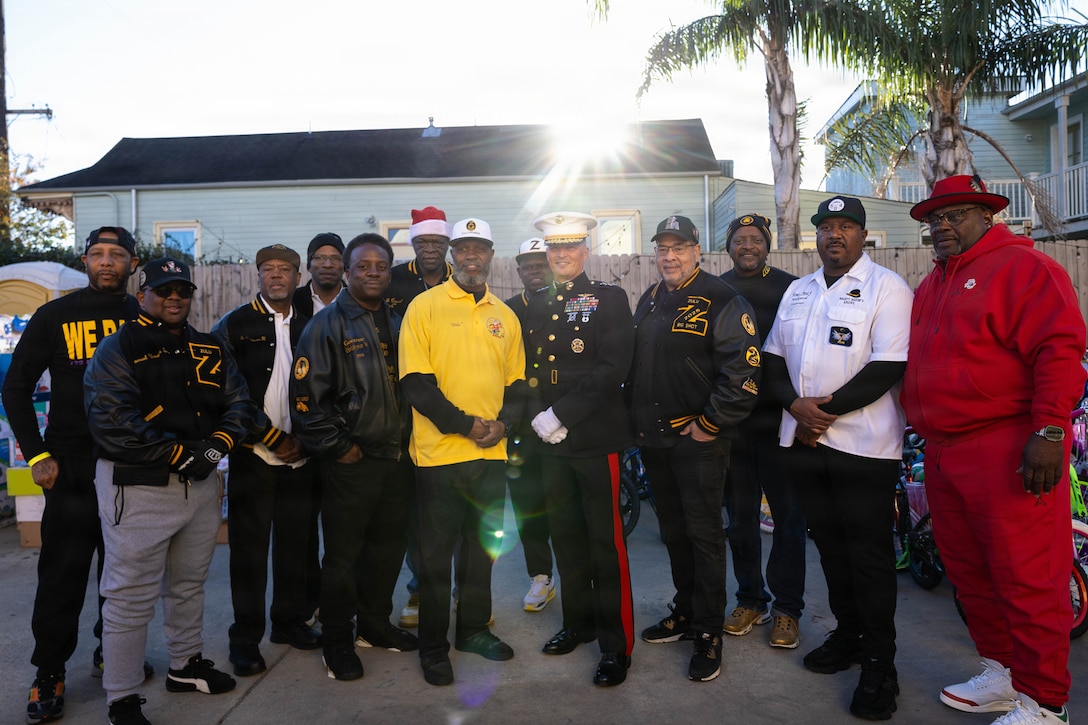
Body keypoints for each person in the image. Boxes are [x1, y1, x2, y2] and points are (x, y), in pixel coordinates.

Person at [901, 175, 1086, 725]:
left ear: (987, 215)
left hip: (1006, 445)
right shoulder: (935, 282)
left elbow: (1059, 349)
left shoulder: (1026, 269)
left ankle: (1045, 701)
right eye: (935, 218)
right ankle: (1003, 675)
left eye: (955, 214)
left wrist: (1050, 431)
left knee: (1029, 577)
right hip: (943, 449)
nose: (942, 226)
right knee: (972, 571)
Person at [84, 257, 255, 725]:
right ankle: (120, 695)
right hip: (140, 487)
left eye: (182, 290)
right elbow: (113, 423)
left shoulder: (207, 345)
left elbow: (238, 402)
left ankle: (184, 665)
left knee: (187, 585)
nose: (174, 298)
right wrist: (182, 454)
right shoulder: (118, 347)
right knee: (128, 595)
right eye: (163, 290)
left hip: (199, 487)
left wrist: (218, 445)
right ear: (144, 296)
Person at [762, 196, 912, 721]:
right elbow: (772, 357)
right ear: (816, 237)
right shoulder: (798, 291)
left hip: (863, 449)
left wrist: (819, 414)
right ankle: (849, 637)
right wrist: (793, 407)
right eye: (826, 227)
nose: (834, 235)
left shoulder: (887, 288)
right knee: (829, 550)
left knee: (869, 559)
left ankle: (880, 666)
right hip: (803, 445)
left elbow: (888, 365)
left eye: (846, 226)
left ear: (863, 235)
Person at [2, 227, 143, 724]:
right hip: (72, 465)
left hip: (132, 466)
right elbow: (15, 387)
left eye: (117, 254)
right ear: (86, 260)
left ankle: (113, 652)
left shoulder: (144, 316)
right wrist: (37, 455)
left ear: (133, 261)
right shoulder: (55, 316)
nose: (107, 262)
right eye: (98, 254)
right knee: (63, 574)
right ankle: (49, 670)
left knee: (124, 574)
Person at [629, 215, 760, 682]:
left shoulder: (722, 298)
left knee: (704, 536)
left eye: (679, 247)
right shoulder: (649, 298)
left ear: (697, 250)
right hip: (656, 442)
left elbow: (743, 374)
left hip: (698, 441)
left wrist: (709, 424)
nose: (669, 256)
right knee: (673, 532)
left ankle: (708, 631)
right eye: (662, 248)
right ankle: (684, 612)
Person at [398, 217, 525, 686]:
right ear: (452, 254)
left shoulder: (504, 315)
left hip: (491, 456)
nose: (472, 256)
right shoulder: (424, 306)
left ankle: (472, 630)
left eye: (481, 248)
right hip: (438, 456)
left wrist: (504, 423)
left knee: (480, 552)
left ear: (492, 255)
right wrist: (465, 425)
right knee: (435, 557)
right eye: (464, 248)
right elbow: (415, 383)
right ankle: (433, 647)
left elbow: (516, 384)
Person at [291, 233, 417, 681]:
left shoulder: (402, 319)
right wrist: (341, 448)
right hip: (353, 461)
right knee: (343, 557)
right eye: (362, 266)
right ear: (347, 272)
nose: (372, 273)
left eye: (380, 266)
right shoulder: (327, 324)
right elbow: (305, 399)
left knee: (387, 550)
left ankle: (375, 626)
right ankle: (337, 641)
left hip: (398, 458)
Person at [524, 211, 635, 687]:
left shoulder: (609, 299)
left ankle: (615, 643)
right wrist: (537, 417)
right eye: (553, 248)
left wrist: (560, 415)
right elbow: (524, 369)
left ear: (585, 251)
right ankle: (578, 622)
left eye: (570, 247)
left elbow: (612, 368)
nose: (561, 254)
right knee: (565, 539)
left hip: (593, 441)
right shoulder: (535, 303)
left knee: (604, 544)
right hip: (550, 444)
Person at [212, 244, 321, 678]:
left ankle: (288, 623)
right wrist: (272, 436)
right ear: (258, 276)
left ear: (298, 276)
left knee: (296, 548)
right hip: (253, 456)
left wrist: (307, 440)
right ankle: (245, 641)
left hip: (303, 456)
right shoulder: (233, 325)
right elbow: (227, 392)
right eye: (268, 270)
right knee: (249, 555)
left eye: (285, 270)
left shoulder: (314, 323)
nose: (276, 276)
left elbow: (326, 385)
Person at [718, 214, 806, 649]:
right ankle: (750, 598)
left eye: (755, 239)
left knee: (789, 519)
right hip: (732, 427)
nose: (748, 245)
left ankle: (787, 610)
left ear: (767, 246)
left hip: (780, 423)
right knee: (740, 521)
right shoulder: (714, 289)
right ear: (728, 247)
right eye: (740, 240)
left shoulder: (793, 288)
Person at [385, 205, 454, 629]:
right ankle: (417, 590)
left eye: (437, 242)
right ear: (413, 243)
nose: (430, 249)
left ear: (447, 245)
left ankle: (463, 589)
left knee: (456, 510)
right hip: (402, 409)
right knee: (416, 511)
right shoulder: (392, 280)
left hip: (451, 409)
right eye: (423, 242)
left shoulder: (461, 280)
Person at [291, 231, 345, 622]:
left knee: (343, 528)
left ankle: (340, 602)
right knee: (304, 529)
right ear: (309, 264)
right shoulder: (290, 304)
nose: (327, 263)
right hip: (301, 429)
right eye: (319, 257)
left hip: (346, 430)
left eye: (334, 257)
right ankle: (309, 602)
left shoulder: (359, 299)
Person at [504, 237, 557, 612]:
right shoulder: (506, 312)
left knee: (565, 504)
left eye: (542, 263)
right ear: (518, 270)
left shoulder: (572, 304)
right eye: (528, 264)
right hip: (520, 427)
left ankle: (577, 573)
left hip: (562, 424)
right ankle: (540, 576)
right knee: (528, 506)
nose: (535, 270)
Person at [293, 232, 345, 317]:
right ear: (309, 266)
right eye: (319, 258)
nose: (328, 265)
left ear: (344, 266)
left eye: (335, 258)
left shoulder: (357, 301)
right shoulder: (293, 301)